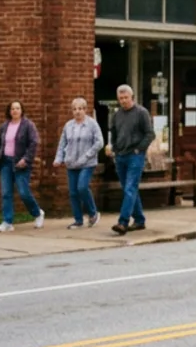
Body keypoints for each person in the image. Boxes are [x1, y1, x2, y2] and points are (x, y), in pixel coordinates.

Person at [0, 100, 45, 232]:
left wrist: (26, 159)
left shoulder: (28, 125)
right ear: (9, 111)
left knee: (23, 192)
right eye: (12, 109)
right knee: (6, 193)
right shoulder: (4, 126)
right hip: (5, 163)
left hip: (21, 164)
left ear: (22, 110)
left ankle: (37, 213)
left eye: (17, 108)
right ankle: (7, 221)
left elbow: (33, 143)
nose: (15, 111)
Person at [108, 84, 154, 235]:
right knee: (130, 189)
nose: (123, 101)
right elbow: (113, 133)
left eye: (126, 98)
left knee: (129, 188)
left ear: (132, 97)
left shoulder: (141, 113)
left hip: (135, 155)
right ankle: (139, 220)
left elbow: (150, 134)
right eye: (120, 98)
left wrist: (139, 149)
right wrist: (114, 148)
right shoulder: (117, 115)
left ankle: (123, 222)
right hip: (120, 155)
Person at [53, 97, 104, 229]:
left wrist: (87, 155)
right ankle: (78, 220)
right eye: (75, 109)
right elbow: (62, 143)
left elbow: (99, 142)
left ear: (85, 110)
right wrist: (59, 158)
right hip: (71, 162)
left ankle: (93, 213)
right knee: (73, 192)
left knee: (82, 187)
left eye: (80, 109)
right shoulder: (68, 125)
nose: (77, 112)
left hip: (87, 163)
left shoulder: (92, 124)